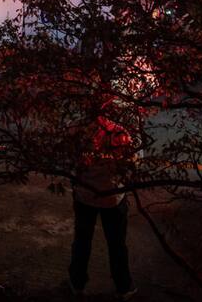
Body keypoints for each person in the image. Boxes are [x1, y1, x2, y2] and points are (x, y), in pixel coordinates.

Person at [68, 122, 137, 299]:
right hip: (113, 197)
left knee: (82, 241)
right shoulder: (121, 131)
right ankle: (123, 286)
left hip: (85, 195)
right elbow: (133, 163)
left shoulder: (78, 129)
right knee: (117, 244)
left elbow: (69, 160)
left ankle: (77, 283)